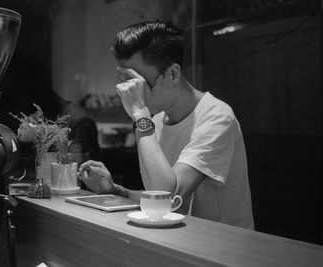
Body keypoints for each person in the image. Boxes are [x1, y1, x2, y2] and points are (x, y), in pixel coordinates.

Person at [78, 20, 254, 229]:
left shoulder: (217, 117)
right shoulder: (156, 121)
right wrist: (117, 191)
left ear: (173, 74)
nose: (127, 90)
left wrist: (140, 115)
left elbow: (169, 198)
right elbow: (160, 196)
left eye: (137, 82)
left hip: (221, 250)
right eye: (124, 80)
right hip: (181, 244)